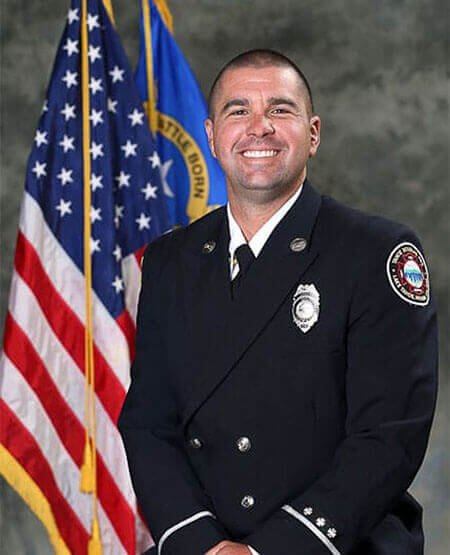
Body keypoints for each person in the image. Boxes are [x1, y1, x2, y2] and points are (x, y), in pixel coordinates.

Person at [118, 50, 438, 555]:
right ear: (212, 137)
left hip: (330, 542)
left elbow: (388, 438)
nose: (259, 127)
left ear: (313, 134)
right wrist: (200, 541)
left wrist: (266, 550)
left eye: (280, 109)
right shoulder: (169, 262)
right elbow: (148, 423)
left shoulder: (375, 253)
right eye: (238, 110)